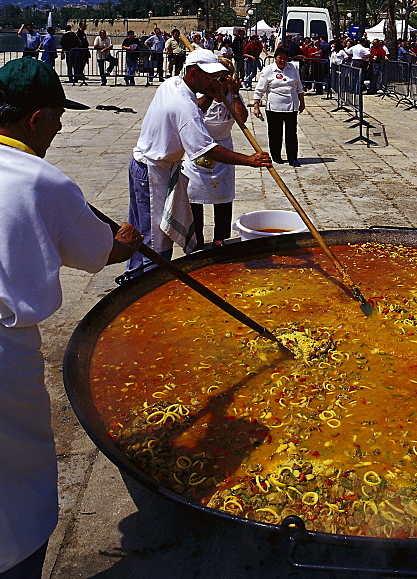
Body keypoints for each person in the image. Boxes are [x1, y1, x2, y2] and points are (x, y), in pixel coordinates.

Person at [0, 58, 142, 579]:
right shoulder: (43, 180)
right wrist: (123, 242)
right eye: (58, 117)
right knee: (16, 492)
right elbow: (98, 252)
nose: (61, 128)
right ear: (36, 118)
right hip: (3, 354)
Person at [124, 50, 271, 279]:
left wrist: (213, 94)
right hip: (153, 172)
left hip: (144, 164)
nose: (214, 82)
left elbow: (199, 109)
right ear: (193, 73)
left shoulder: (173, 84)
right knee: (155, 237)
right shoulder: (184, 106)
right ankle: (146, 285)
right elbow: (205, 149)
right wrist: (249, 160)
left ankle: (135, 276)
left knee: (141, 232)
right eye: (210, 77)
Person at [183, 63, 247, 251]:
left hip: (223, 148)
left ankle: (220, 238)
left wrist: (233, 93)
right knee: (194, 195)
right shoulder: (203, 95)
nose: (220, 81)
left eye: (224, 77)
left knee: (223, 195)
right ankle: (197, 239)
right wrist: (212, 94)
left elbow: (241, 118)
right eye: (217, 77)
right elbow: (196, 112)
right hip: (200, 148)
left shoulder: (232, 96)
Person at [252, 49, 305, 166]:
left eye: (285, 58)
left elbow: (299, 87)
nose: (282, 61)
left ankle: (293, 158)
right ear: (275, 58)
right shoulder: (268, 70)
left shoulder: (293, 68)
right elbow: (259, 90)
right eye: (280, 58)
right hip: (274, 107)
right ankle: (276, 156)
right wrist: (256, 106)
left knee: (291, 133)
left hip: (291, 107)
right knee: (275, 133)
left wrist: (302, 102)